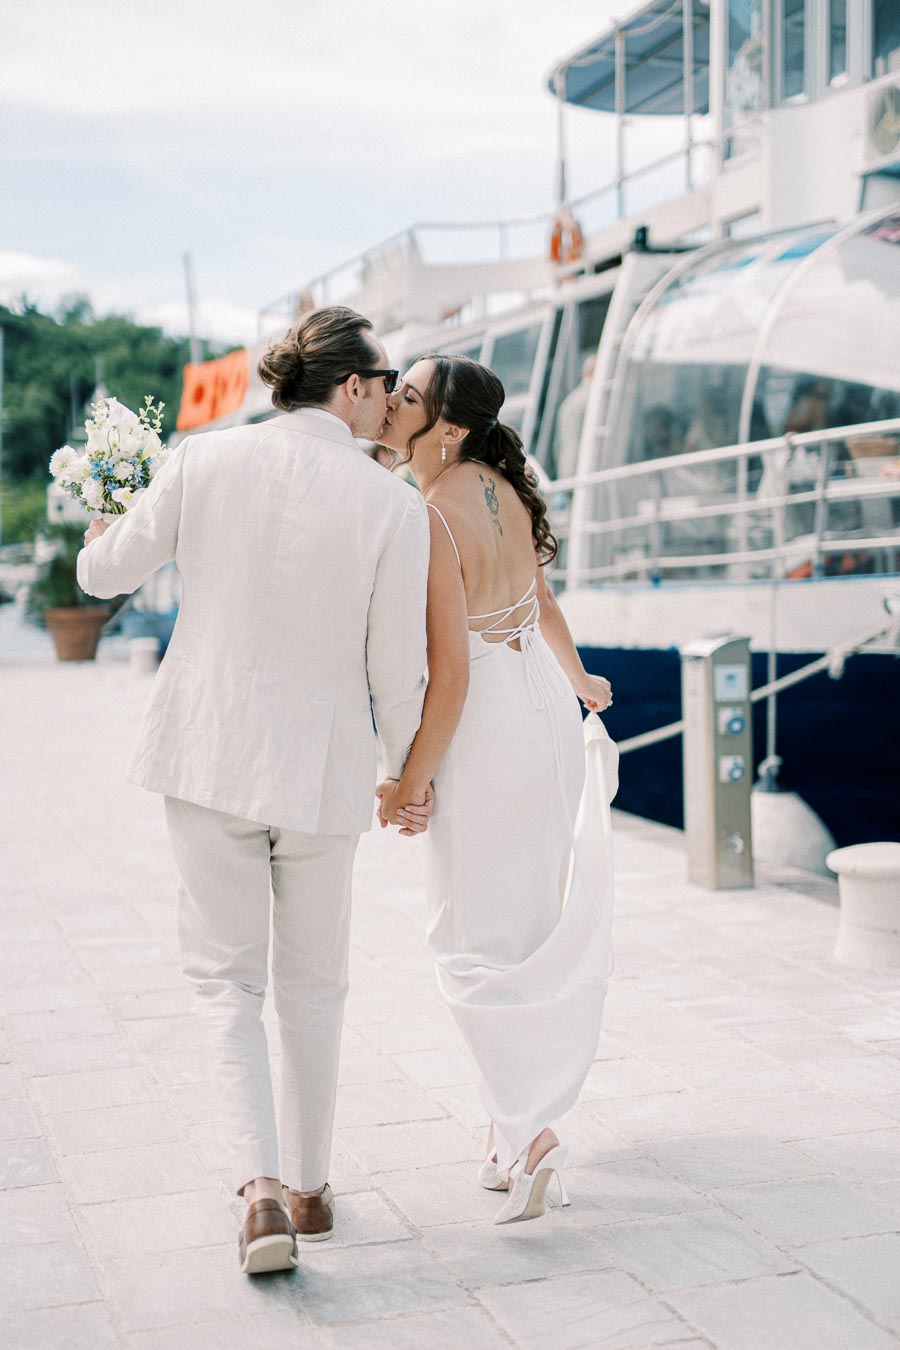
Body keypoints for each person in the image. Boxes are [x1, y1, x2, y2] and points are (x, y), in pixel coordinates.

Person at [76, 307, 431, 1274]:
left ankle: (260, 1192)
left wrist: (108, 506)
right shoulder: (389, 505)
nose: (390, 398)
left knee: (224, 980)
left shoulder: (202, 460)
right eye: (383, 380)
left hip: (205, 748)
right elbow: (397, 666)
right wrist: (406, 771)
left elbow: (103, 570)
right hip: (318, 766)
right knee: (316, 983)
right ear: (350, 386)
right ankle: (312, 1188)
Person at [375, 354, 615, 1224]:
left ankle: (535, 1133)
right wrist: (579, 677)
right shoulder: (501, 485)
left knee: (466, 940)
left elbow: (450, 676)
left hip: (489, 733)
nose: (392, 399)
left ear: (445, 426)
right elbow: (539, 599)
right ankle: (509, 1127)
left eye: (408, 395)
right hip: (545, 715)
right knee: (521, 927)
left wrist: (410, 780)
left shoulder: (432, 515)